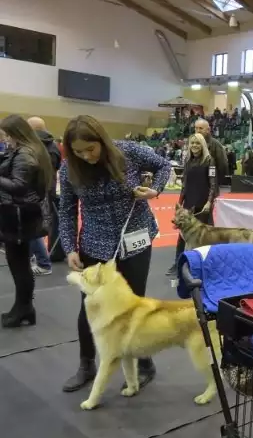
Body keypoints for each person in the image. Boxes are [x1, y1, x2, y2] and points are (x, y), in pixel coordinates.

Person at [58, 115, 171, 393]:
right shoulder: (68, 169)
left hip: (134, 240)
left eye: (91, 149)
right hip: (94, 245)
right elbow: (67, 210)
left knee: (134, 305)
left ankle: (144, 363)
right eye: (78, 151)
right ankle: (87, 364)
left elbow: (164, 164)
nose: (86, 156)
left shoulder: (128, 152)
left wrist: (155, 190)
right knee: (90, 306)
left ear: (102, 141)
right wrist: (70, 247)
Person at [0, 115, 53, 328]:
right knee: (20, 266)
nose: (4, 139)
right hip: (20, 216)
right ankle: (22, 308)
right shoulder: (26, 150)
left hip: (19, 217)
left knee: (20, 267)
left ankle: (24, 309)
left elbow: (18, 186)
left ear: (15, 133)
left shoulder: (25, 153)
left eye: (5, 135)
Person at [167, 133, 218, 276]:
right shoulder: (188, 160)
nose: (194, 146)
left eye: (197, 143)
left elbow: (213, 184)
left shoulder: (209, 160)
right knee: (182, 237)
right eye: (192, 143)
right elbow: (184, 184)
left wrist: (209, 201)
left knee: (204, 237)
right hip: (188, 203)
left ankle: (205, 266)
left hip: (203, 204)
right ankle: (178, 264)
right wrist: (180, 202)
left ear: (202, 144)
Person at [27, 117, 61, 275]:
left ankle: (43, 262)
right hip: (43, 191)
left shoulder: (41, 147)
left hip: (40, 192)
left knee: (33, 228)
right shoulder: (51, 146)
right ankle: (36, 258)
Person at [194, 118, 229, 183]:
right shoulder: (192, 143)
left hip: (210, 182)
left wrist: (216, 182)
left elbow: (223, 165)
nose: (198, 130)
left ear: (208, 130)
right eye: (196, 128)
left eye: (201, 128)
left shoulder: (216, 144)